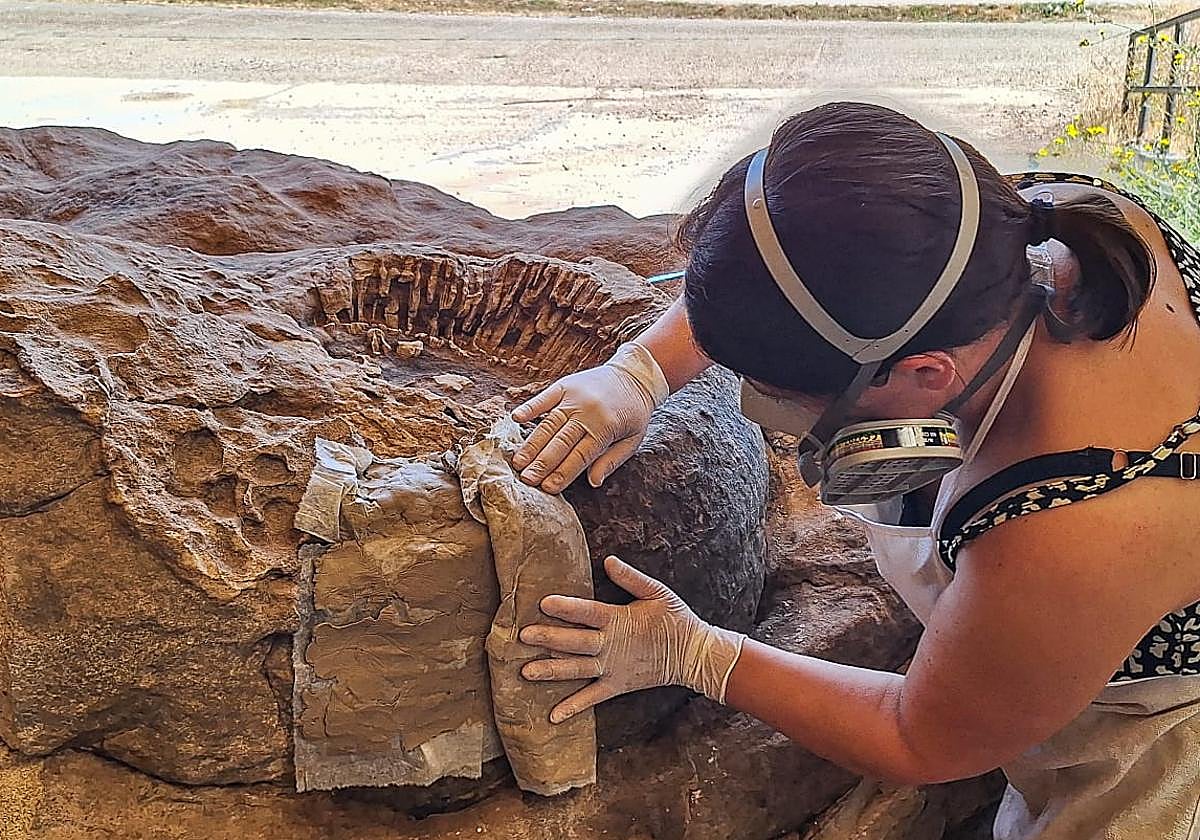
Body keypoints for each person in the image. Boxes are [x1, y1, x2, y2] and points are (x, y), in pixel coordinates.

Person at [508, 102, 1200, 839]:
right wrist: (640, 370)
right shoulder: (1003, 226)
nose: (768, 407)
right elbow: (804, 256)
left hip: (1145, 728)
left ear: (927, 373)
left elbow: (920, 737)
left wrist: (698, 653)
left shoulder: (1071, 534)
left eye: (787, 397)